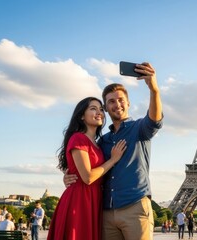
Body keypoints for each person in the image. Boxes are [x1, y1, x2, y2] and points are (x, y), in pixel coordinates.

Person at [64, 62, 163, 240]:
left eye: (120, 100)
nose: (116, 104)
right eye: (111, 102)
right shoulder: (103, 141)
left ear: (128, 103)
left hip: (134, 207)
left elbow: (154, 119)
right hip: (106, 213)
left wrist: (154, 90)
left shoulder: (139, 129)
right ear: (107, 108)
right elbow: (88, 166)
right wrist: (69, 175)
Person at [47, 96, 126, 240]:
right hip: (80, 200)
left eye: (101, 109)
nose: (99, 112)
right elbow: (88, 177)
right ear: (82, 116)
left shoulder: (98, 143)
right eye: (93, 109)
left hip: (93, 199)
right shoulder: (78, 138)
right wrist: (113, 160)